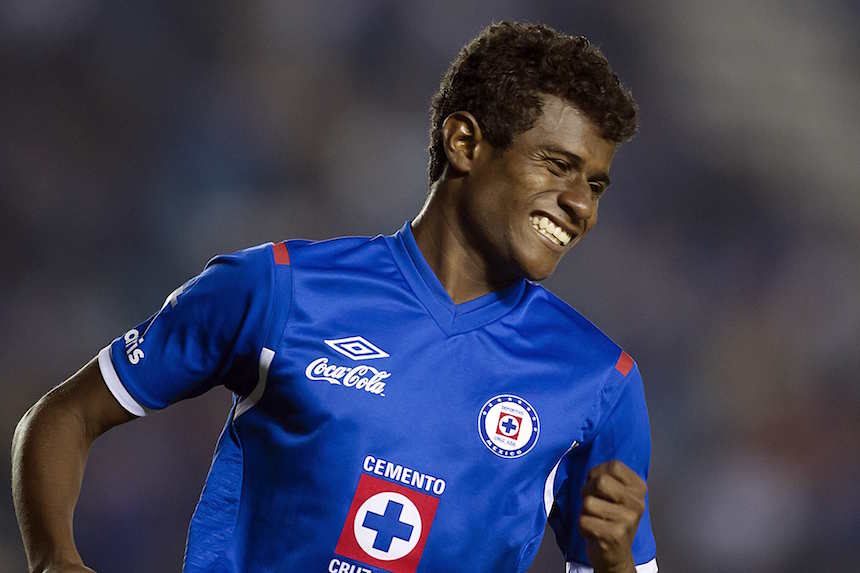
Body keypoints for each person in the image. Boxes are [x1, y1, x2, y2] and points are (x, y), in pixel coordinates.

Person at [12, 21, 657, 573]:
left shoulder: (600, 382)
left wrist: (616, 564)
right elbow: (64, 417)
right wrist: (55, 560)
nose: (581, 205)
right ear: (465, 143)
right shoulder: (279, 288)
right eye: (557, 165)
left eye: (596, 185)